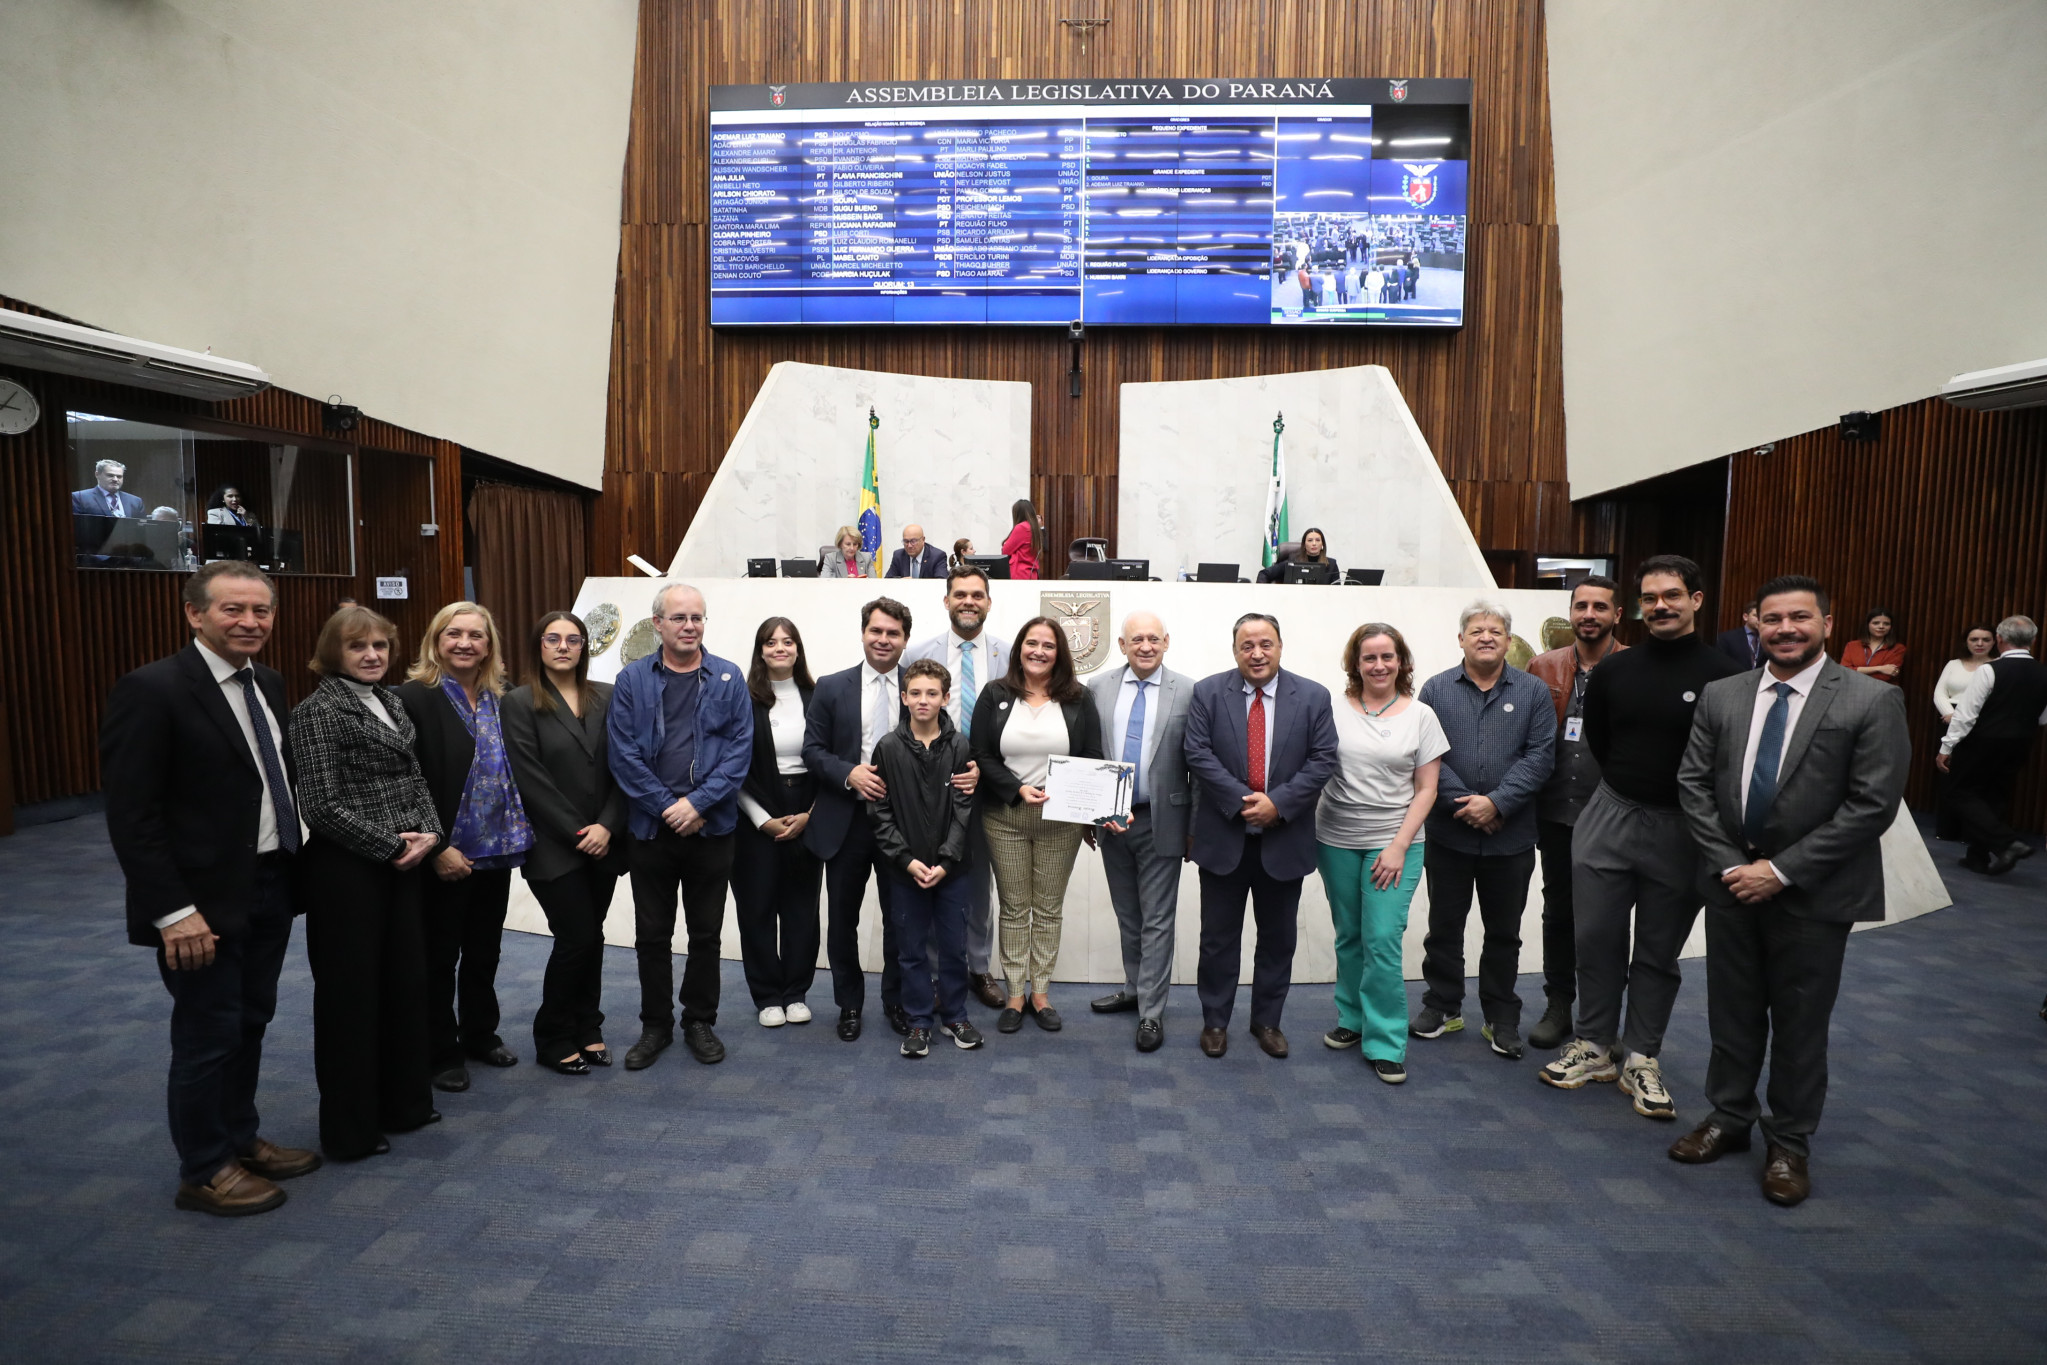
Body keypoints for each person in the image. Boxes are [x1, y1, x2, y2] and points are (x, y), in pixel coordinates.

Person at [1672, 575, 1909, 1206]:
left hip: (1814, 893)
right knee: (1732, 1013)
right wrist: (1733, 867)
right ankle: (1727, 1117)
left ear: (1828, 624)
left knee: (1801, 1024)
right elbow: (1693, 786)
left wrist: (1778, 871)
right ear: (1756, 625)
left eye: (1799, 617)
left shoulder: (1869, 700)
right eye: (1771, 619)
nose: (1784, 629)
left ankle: (1790, 1144)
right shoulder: (1723, 695)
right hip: (1730, 886)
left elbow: (1872, 805)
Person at [100, 561, 318, 1215]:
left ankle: (239, 1138)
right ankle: (203, 1167)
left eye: (261, 610)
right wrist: (173, 911)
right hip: (199, 904)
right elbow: (132, 816)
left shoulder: (269, 682)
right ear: (195, 613)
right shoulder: (152, 690)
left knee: (251, 1020)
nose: (251, 621)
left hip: (270, 882)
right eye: (233, 609)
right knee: (207, 1032)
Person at [1538, 556, 1744, 1118]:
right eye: (1650, 598)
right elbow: (1603, 741)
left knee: (1658, 949)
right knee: (1596, 936)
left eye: (1672, 595)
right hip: (1610, 815)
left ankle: (1642, 1057)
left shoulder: (1725, 677)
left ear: (1696, 600)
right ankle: (1595, 1044)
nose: (1660, 606)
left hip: (1683, 827)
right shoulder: (1615, 670)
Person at [290, 605, 442, 1157]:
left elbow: (414, 777)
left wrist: (430, 832)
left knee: (405, 985)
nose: (372, 655)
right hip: (346, 873)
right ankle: (350, 1131)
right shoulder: (316, 713)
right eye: (359, 647)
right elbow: (319, 804)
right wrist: (391, 846)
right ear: (335, 653)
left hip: (404, 863)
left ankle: (404, 1105)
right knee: (350, 1000)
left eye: (380, 645)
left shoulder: (393, 701)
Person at [606, 583, 753, 1068]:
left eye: (697, 617)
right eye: (679, 618)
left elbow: (738, 754)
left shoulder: (729, 677)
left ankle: (699, 1020)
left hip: (712, 829)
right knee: (652, 934)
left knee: (706, 933)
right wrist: (671, 807)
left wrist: (698, 805)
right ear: (658, 625)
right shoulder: (631, 680)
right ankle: (655, 1025)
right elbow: (623, 755)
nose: (690, 626)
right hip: (651, 831)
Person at [1183, 612, 1340, 1059]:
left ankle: (1267, 1021)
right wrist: (1244, 799)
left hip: (1284, 840)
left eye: (1265, 644)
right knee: (1217, 939)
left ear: (1280, 646)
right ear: (1234, 650)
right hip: (1223, 838)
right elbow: (1197, 752)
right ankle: (1215, 1020)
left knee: (1278, 939)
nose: (1256, 653)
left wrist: (1279, 804)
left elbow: (1323, 759)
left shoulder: (1312, 696)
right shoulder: (1208, 693)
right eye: (1247, 645)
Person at [397, 602, 534, 1093]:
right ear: (436, 640)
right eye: (453, 634)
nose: (464, 643)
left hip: (496, 851)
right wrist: (436, 849)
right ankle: (441, 1051)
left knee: (484, 950)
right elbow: (403, 782)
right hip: (441, 854)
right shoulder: (411, 698)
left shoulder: (506, 698)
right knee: (439, 955)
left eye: (476, 636)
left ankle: (480, 1033)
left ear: (489, 645)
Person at [1410, 600, 1556, 1060]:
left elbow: (1541, 756)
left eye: (1495, 631)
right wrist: (1467, 805)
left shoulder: (1534, 691)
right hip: (1449, 834)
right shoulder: (1435, 690)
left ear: (1508, 641)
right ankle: (1443, 1005)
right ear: (1461, 639)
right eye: (1476, 631)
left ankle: (1501, 1017)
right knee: (1444, 925)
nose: (1486, 637)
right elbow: (1428, 756)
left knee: (1504, 932)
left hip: (1510, 836)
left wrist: (1496, 803)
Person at [1315, 623, 1447, 1085]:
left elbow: (1428, 788)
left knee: (1383, 941)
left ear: (1402, 661)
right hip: (1335, 840)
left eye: (1387, 656)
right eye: (1368, 658)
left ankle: (1386, 1041)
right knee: (1349, 935)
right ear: (1355, 664)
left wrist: (1397, 845)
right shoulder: (1330, 710)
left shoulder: (1421, 715)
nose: (1378, 665)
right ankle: (1352, 1020)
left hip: (1397, 843)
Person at [502, 611, 629, 1074]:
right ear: (538, 645)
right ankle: (553, 1033)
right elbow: (530, 779)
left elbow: (625, 768)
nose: (563, 646)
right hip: (554, 845)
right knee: (577, 937)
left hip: (606, 839)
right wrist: (582, 832)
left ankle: (588, 1026)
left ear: (584, 647)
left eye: (573, 639)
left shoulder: (609, 697)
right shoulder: (518, 702)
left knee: (591, 938)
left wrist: (608, 827)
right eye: (552, 638)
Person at [971, 617, 1105, 1033]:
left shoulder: (1079, 698)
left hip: (1061, 820)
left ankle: (1041, 994)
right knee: (1014, 907)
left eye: (1048, 645)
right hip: (1004, 816)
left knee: (1047, 909)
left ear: (1059, 652)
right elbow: (981, 754)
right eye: (1032, 643)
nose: (1039, 651)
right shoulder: (995, 694)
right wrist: (1016, 789)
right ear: (1019, 648)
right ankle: (1014, 995)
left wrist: (1095, 812)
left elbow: (1092, 755)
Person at [803, 596, 914, 1041]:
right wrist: (849, 773)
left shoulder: (921, 684)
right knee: (843, 919)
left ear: (905, 639)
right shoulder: (831, 686)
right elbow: (813, 752)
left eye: (893, 633)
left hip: (903, 826)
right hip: (845, 823)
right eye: (877, 630)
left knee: (900, 918)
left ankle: (896, 1000)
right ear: (863, 632)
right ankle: (849, 1004)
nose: (884, 639)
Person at [1085, 611, 1195, 1052]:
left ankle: (1151, 1012)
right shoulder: (1099, 687)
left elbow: (1199, 765)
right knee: (1128, 914)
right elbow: (1091, 755)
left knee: (1157, 920)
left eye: (1153, 639)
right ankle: (1134, 989)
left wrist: (1196, 828)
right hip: (1112, 822)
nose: (1145, 646)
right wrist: (1091, 815)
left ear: (1166, 642)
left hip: (1163, 820)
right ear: (1122, 644)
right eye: (1137, 640)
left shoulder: (1188, 690)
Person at [1522, 574, 1624, 1050]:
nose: (1589, 615)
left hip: (1614, 815)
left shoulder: (1634, 667)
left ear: (1616, 615)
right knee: (1558, 912)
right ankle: (1559, 1003)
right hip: (1555, 811)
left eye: (1599, 607)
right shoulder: (1542, 667)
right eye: (1581, 606)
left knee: (1607, 919)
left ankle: (1601, 1016)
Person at [870, 659, 983, 1058]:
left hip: (951, 871)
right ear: (903, 697)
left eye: (932, 693)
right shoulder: (887, 747)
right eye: (915, 693)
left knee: (954, 947)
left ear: (946, 698)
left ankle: (955, 1016)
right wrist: (905, 860)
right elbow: (880, 813)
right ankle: (918, 1022)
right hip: (906, 872)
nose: (923, 700)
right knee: (911, 950)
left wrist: (947, 860)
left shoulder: (960, 746)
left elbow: (964, 809)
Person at [902, 567, 1005, 1008]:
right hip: (929, 788)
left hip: (988, 788)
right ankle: (933, 974)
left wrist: (987, 769)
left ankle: (978, 969)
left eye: (977, 595)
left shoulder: (1007, 656)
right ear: (946, 601)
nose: (969, 601)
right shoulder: (919, 654)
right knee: (928, 879)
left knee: (978, 885)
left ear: (988, 602)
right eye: (960, 594)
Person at [731, 617, 823, 1026]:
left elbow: (831, 760)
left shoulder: (818, 696)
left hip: (808, 807)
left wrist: (810, 815)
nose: (780, 648)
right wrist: (763, 819)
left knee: (802, 909)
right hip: (754, 813)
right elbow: (729, 767)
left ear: (799, 648)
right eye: (771, 642)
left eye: (788, 641)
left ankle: (796, 992)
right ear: (760, 650)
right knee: (757, 908)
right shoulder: (741, 697)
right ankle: (767, 995)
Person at [1937, 615, 2047, 876]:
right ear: (2032, 640)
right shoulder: (2044, 673)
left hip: (1982, 741)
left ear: (1998, 640)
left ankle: (2007, 843)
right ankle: (1977, 857)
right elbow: (2043, 717)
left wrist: (1946, 747)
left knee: (1959, 793)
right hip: (2022, 741)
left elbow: (1966, 714)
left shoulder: (1989, 669)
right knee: (1995, 796)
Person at [1933, 624, 1998, 723]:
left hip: (1984, 720)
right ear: (1966, 642)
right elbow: (1939, 694)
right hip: (1950, 717)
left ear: (1994, 642)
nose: (1980, 644)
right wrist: (1951, 715)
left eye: (1986, 640)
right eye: (1974, 639)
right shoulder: (1953, 664)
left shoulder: (2000, 665)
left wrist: (1964, 718)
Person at [1840, 608, 1906, 685]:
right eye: (1876, 623)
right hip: (1852, 690)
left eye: (1886, 624)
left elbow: (1886, 676)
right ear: (1867, 625)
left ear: (1891, 627)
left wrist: (1855, 671)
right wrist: (1880, 668)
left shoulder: (1898, 648)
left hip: (1882, 692)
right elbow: (1844, 671)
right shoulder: (1852, 646)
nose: (1881, 626)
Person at [72, 458, 145, 519]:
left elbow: (142, 529)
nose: (115, 479)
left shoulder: (135, 502)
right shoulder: (79, 498)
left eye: (119, 476)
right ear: (97, 474)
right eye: (110, 475)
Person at [1001, 498, 1043, 580]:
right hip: (1031, 573)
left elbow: (1005, 551)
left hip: (1020, 573)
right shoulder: (1034, 528)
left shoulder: (1021, 527)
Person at [1715, 600, 1763, 670]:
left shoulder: (1768, 638)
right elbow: (1720, 663)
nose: (1759, 619)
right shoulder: (1728, 638)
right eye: (1755, 616)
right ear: (1745, 617)